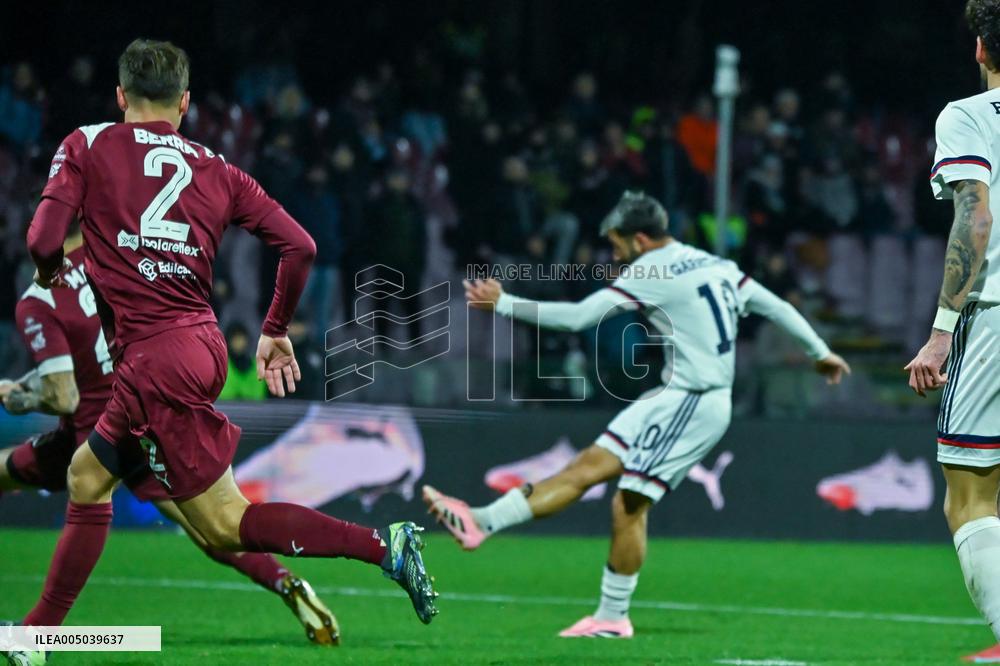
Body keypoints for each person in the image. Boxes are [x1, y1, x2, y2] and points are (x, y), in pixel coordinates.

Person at [5, 39, 436, 664]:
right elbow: (302, 247)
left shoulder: (87, 143)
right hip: (197, 345)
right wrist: (274, 328)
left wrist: (50, 274)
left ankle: (383, 547)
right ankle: (35, 636)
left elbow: (43, 239)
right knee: (87, 476)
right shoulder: (218, 167)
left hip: (156, 359)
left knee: (225, 524)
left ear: (120, 95)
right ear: (185, 102)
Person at [424, 191, 850, 638]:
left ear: (641, 239)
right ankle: (482, 521)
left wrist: (505, 303)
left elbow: (578, 317)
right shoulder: (715, 264)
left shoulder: (650, 271)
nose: (614, 255)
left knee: (628, 503)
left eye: (617, 244)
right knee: (586, 467)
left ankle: (612, 617)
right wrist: (820, 352)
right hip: (671, 394)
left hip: (695, 400)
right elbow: (777, 306)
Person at [0, 231, 339, 645]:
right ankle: (285, 581)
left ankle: (37, 635)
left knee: (32, 478)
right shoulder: (118, 253)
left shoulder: (41, 297)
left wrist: (18, 396)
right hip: (142, 410)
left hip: (94, 433)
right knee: (210, 527)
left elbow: (62, 393)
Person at [904, 1, 1000, 661]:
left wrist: (941, 332)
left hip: (993, 314)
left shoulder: (967, 116)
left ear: (981, 49)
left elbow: (976, 217)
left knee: (969, 497)